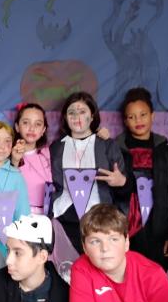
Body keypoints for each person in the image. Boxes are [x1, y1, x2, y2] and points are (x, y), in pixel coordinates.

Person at [49, 92, 129, 253]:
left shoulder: (107, 145)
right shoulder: (56, 148)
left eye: (82, 112)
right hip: (64, 218)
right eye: (71, 113)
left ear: (92, 116)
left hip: (100, 219)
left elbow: (124, 188)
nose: (76, 117)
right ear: (65, 117)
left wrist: (122, 183)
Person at [117, 88, 168, 266]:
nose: (138, 120)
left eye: (143, 114)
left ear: (152, 116)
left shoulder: (163, 148)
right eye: (131, 117)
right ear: (125, 121)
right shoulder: (117, 149)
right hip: (129, 225)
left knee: (155, 271)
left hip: (157, 224)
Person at [10, 103, 53, 215]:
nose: (32, 128)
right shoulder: (7, 153)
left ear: (43, 130)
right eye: (26, 123)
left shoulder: (50, 153)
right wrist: (15, 160)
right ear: (17, 127)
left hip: (45, 216)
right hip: (19, 215)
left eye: (38, 124)